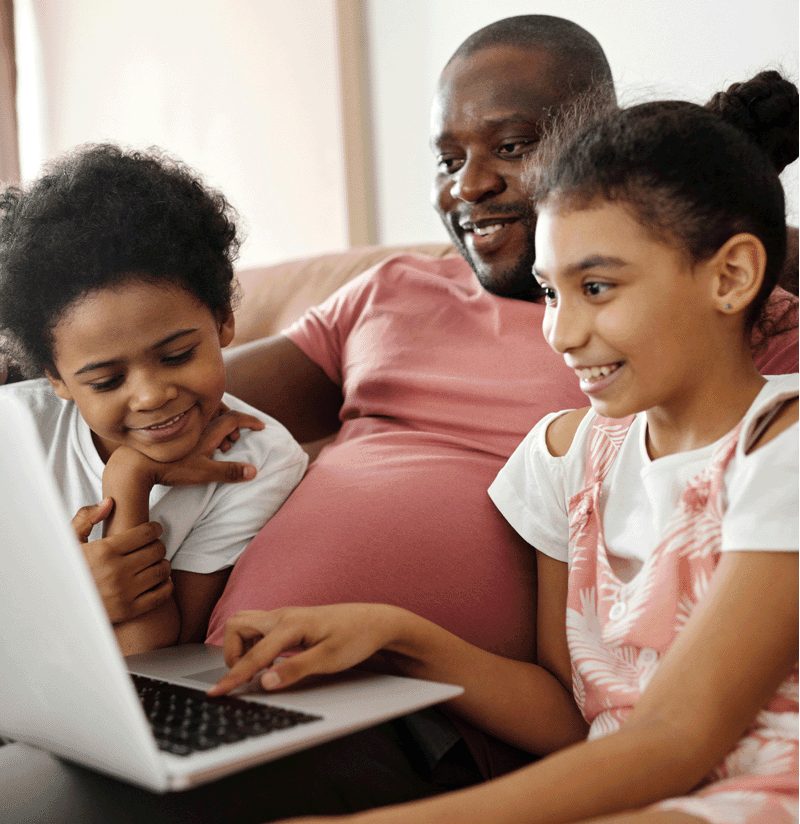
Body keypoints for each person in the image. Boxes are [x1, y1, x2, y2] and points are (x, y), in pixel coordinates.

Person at [207, 11, 798, 783]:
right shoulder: (544, 429)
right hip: (261, 673)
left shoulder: (733, 359)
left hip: (432, 732)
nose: (470, 183)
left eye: (512, 146)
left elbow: (670, 738)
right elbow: (176, 407)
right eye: (448, 157)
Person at [0, 144, 308, 655]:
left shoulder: (257, 461)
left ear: (223, 318)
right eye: (105, 382)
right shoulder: (17, 431)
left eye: (177, 355)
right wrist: (60, 597)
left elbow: (151, 655)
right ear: (56, 378)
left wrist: (130, 475)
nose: (150, 396)